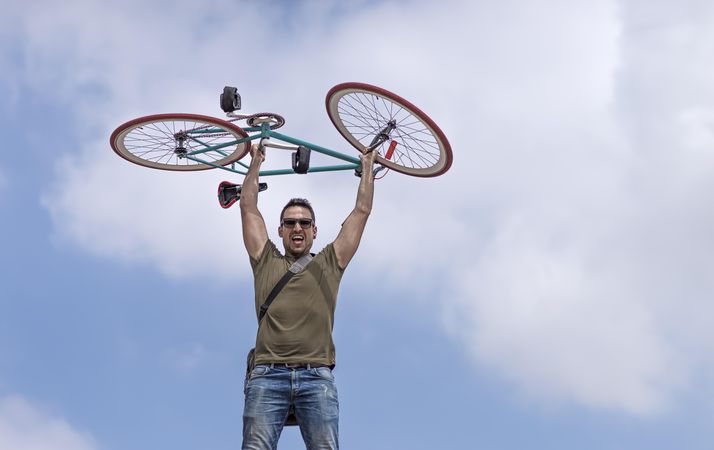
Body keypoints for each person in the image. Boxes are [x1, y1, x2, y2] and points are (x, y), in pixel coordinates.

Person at [239, 142, 376, 450]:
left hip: (316, 376)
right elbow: (248, 207)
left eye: (304, 223)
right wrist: (256, 163)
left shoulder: (330, 262)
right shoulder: (266, 261)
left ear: (315, 231)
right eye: (290, 222)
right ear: (280, 230)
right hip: (267, 375)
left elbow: (362, 211)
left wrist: (367, 168)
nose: (297, 227)